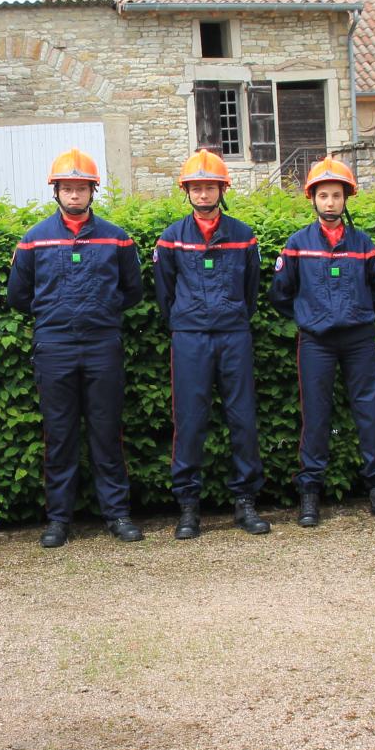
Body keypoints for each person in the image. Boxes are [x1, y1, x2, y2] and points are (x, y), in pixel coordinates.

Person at [6, 150, 145, 548]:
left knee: (106, 433)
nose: (74, 194)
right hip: (54, 347)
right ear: (56, 191)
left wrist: (101, 312)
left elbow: (132, 291)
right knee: (60, 435)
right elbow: (18, 295)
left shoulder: (117, 238)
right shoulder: (34, 239)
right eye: (67, 188)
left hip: (103, 344)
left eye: (80, 188)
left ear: (92, 190)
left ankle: (117, 514)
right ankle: (59, 520)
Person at [269, 157, 375, 528]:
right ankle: (310, 493)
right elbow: (281, 294)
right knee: (315, 415)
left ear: (347, 199)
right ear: (312, 199)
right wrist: (309, 318)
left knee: (368, 413)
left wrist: (358, 312)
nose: (330, 202)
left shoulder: (363, 243)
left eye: (337, 195)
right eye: (323, 195)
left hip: (359, 340)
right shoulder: (297, 244)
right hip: (316, 342)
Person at [153, 147, 269, 539]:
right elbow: (164, 293)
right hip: (189, 337)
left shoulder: (243, 236)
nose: (203, 194)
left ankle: (246, 503)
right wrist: (185, 322)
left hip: (234, 334)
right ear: (186, 191)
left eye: (210, 187)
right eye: (197, 188)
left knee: (242, 418)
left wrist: (233, 316)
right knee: (189, 420)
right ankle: (188, 507)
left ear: (223, 189)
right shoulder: (171, 239)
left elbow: (251, 291)